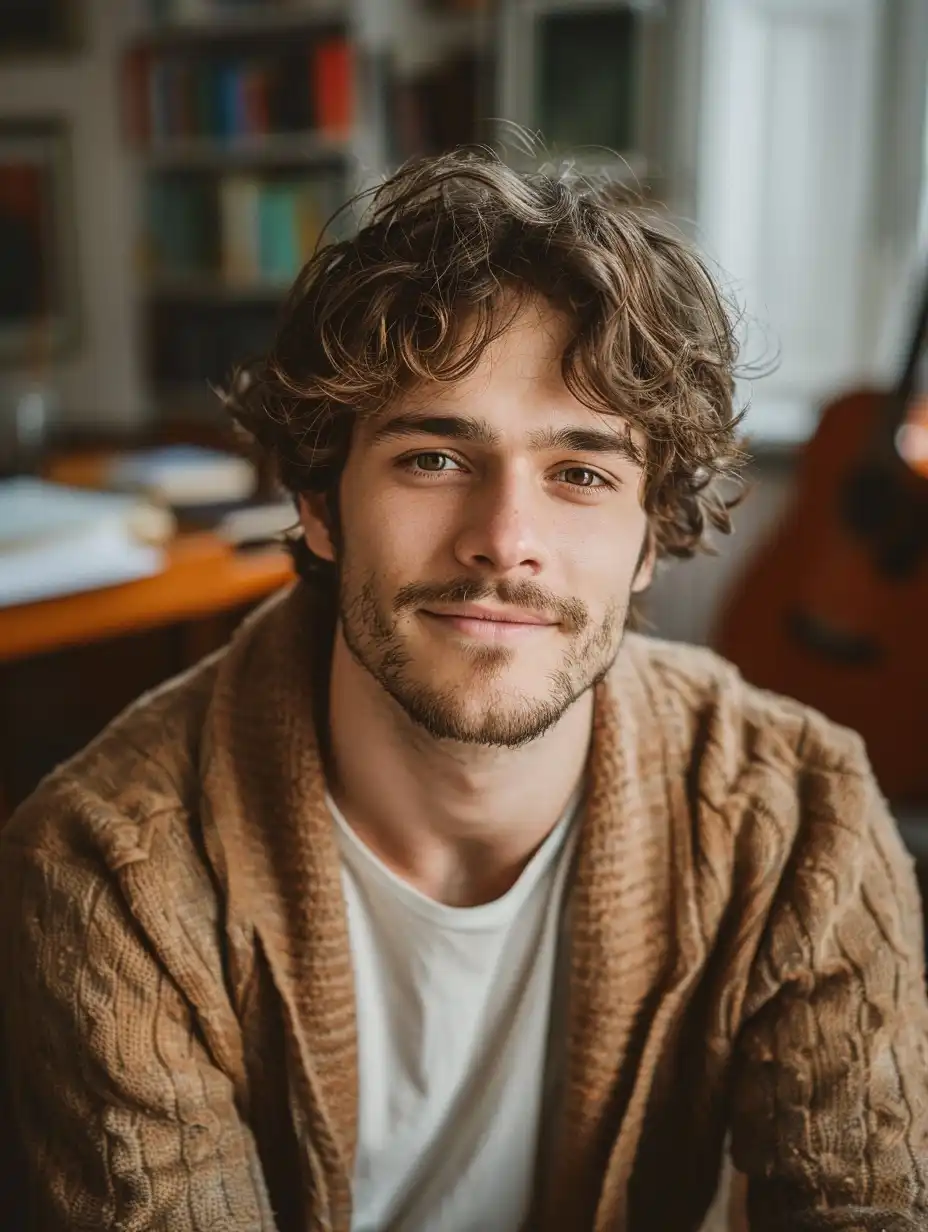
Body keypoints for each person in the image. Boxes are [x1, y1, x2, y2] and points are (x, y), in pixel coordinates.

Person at [2, 147, 927, 1232]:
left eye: (581, 472)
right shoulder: (106, 866)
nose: (504, 539)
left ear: (649, 540)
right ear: (319, 503)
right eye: (434, 458)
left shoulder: (805, 814)